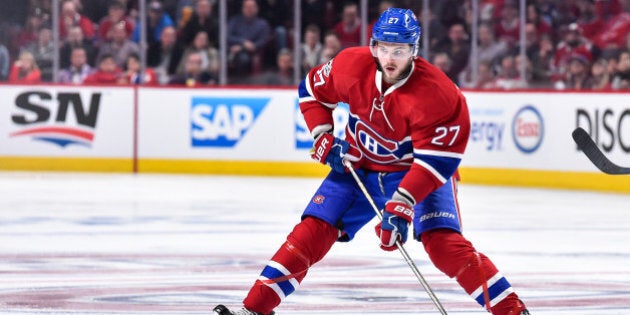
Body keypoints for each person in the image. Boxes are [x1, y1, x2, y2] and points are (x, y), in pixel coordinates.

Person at [213, 7, 530, 315]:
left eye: (400, 50)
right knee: (311, 231)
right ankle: (255, 309)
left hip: (416, 172)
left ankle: (511, 311)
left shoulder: (440, 95)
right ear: (373, 46)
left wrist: (403, 203)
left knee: (443, 244)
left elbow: (438, 161)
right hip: (359, 166)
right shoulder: (350, 64)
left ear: (414, 51)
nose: (391, 59)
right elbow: (311, 92)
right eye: (384, 48)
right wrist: (323, 135)